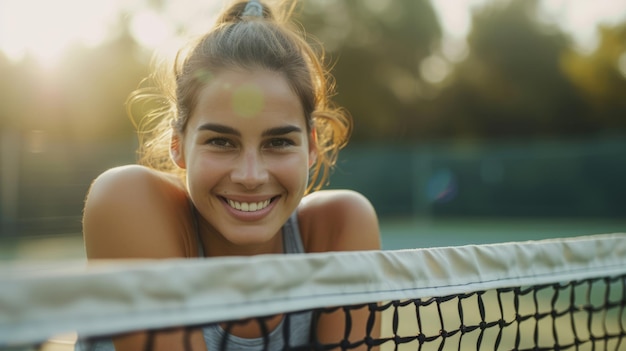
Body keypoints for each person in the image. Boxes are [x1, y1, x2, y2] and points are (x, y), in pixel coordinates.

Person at [81, 0, 381, 350]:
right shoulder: (126, 199)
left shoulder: (341, 226)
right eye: (221, 141)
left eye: (279, 142)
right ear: (177, 144)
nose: (250, 176)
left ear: (311, 147)